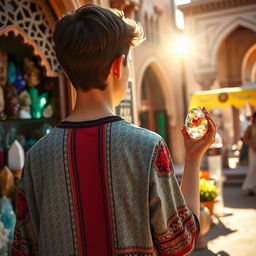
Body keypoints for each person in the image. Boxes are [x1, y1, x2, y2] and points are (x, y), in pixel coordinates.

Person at [11, 5, 216, 256]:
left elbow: (23, 249)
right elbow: (180, 243)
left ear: (66, 72)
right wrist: (193, 158)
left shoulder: (37, 157)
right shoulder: (147, 147)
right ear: (118, 67)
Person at [242, 112, 256, 196]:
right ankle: (249, 187)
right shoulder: (250, 127)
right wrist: (252, 145)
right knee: (254, 167)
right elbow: (245, 138)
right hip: (253, 149)